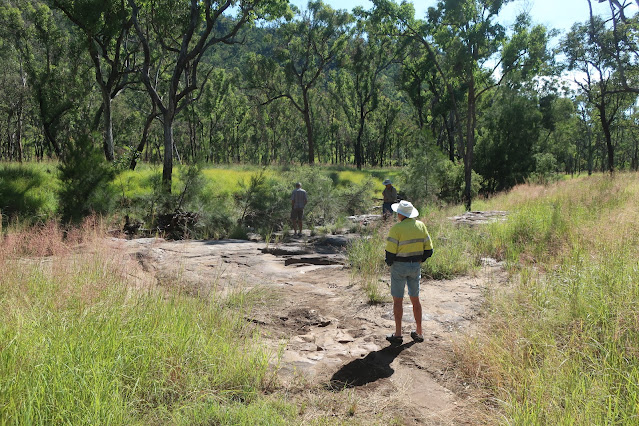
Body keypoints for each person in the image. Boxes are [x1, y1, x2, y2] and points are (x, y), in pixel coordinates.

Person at [384, 200, 433, 344]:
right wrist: (419, 260)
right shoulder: (421, 226)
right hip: (415, 266)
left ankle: (398, 334)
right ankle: (419, 332)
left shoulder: (396, 229)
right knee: (415, 299)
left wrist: (390, 263)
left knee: (398, 300)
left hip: (399, 266)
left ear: (400, 213)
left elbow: (390, 253)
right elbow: (429, 250)